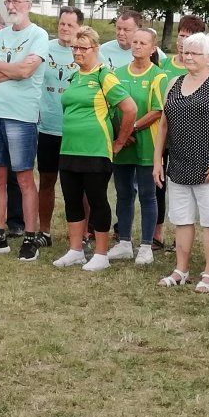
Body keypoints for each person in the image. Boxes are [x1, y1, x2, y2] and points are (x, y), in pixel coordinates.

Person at [154, 31, 209, 290]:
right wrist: (157, 161)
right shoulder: (174, 83)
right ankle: (181, 269)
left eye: (194, 53)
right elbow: (164, 126)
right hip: (178, 163)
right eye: (185, 51)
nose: (188, 56)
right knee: (182, 219)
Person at [49, 26, 134, 271]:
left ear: (95, 48)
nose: (77, 52)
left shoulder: (104, 75)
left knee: (97, 200)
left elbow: (129, 109)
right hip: (69, 147)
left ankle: (101, 254)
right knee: (72, 199)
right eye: (75, 47)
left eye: (83, 48)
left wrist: (119, 141)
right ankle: (75, 250)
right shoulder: (74, 76)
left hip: (96, 149)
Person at [0, 0, 48, 261]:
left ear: (29, 4)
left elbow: (27, 71)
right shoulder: (0, 36)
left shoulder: (38, 35)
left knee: (24, 177)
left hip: (22, 115)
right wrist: (13, 70)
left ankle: (30, 236)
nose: (12, 6)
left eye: (17, 1)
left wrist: (4, 67)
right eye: (8, 2)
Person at [110, 27, 172, 265]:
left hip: (147, 144)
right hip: (123, 143)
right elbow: (113, 105)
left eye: (143, 43)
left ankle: (146, 246)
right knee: (124, 193)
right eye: (134, 42)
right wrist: (121, 133)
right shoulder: (117, 73)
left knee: (148, 194)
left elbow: (157, 111)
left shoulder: (158, 76)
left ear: (153, 48)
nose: (137, 46)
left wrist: (130, 129)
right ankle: (124, 242)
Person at [36, 6, 82, 237]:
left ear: (79, 27)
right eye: (62, 23)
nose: (65, 28)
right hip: (47, 127)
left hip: (76, 130)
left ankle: (83, 233)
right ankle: (44, 231)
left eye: (70, 25)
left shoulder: (87, 51)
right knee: (46, 180)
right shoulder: (44, 48)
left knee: (80, 185)